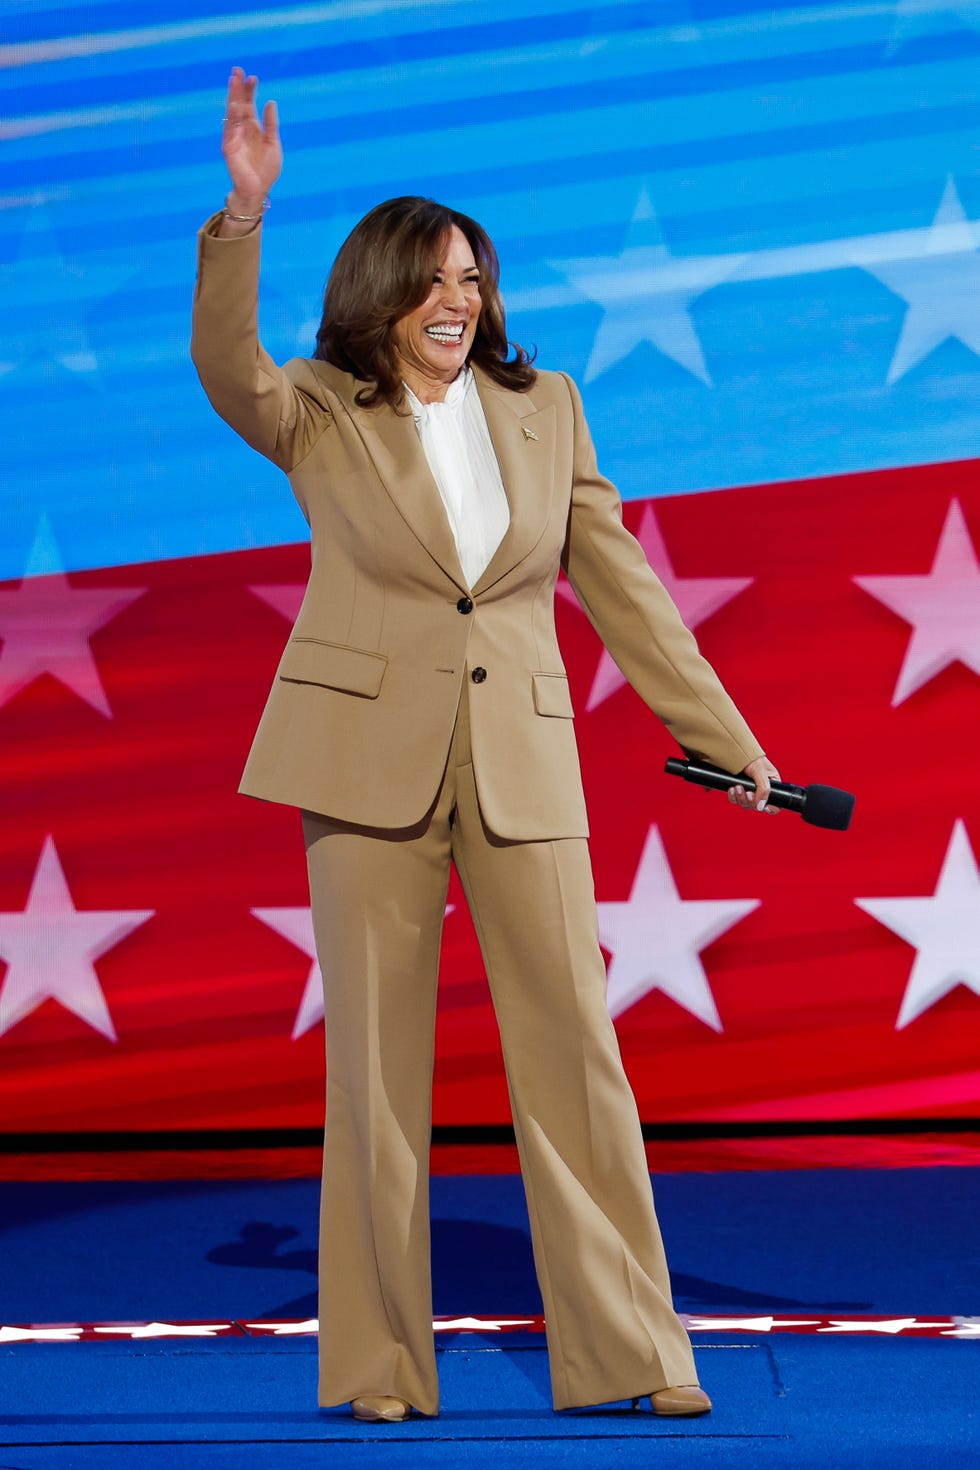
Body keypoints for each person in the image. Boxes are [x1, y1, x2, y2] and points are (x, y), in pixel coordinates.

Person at [192, 66, 780, 1425]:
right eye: (435, 276)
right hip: (360, 763)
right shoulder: (319, 407)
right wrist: (243, 212)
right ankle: (385, 1371)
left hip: (524, 762)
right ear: (382, 290)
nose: (459, 297)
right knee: (378, 1076)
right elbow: (226, 363)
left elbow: (622, 587)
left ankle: (632, 1351)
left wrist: (727, 739)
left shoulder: (548, 406)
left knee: (578, 1055)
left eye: (473, 276)